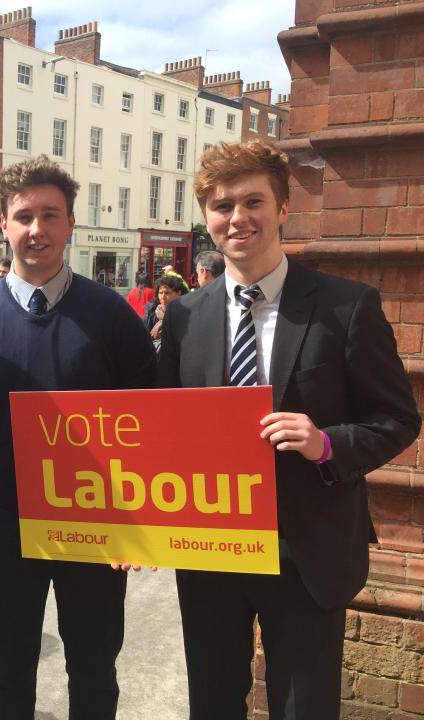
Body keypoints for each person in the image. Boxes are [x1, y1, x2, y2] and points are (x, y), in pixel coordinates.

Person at [158, 140, 421, 720]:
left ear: (282, 208)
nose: (238, 218)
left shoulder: (346, 307)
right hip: (212, 552)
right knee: (213, 702)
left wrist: (326, 442)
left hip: (306, 552)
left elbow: (398, 420)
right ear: (206, 218)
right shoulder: (184, 316)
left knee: (304, 708)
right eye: (223, 206)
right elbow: (163, 433)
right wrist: (139, 526)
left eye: (254, 202)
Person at [0, 155, 156, 720]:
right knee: (9, 670)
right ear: (3, 224)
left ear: (71, 223)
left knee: (94, 669)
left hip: (99, 530)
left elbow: (153, 424)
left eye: (50, 215)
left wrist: (139, 521)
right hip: (7, 526)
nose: (37, 230)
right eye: (24, 216)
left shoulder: (112, 315)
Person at [143, 274, 189, 350]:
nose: (163, 297)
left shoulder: (186, 310)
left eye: (167, 293)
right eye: (160, 293)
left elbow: (187, 335)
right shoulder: (152, 311)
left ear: (179, 293)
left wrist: (165, 319)